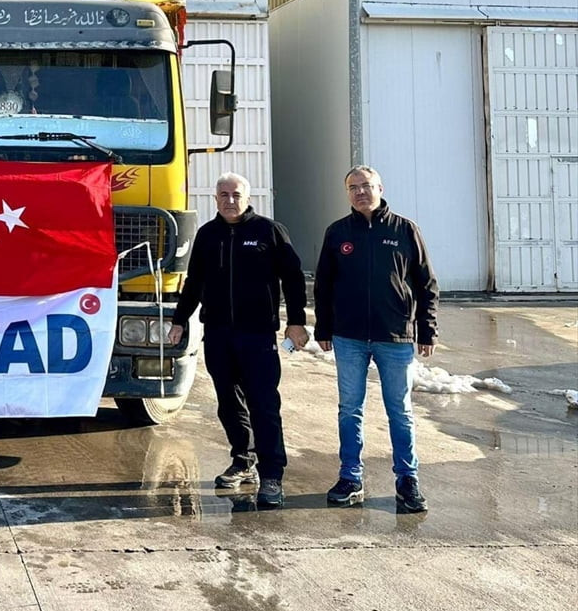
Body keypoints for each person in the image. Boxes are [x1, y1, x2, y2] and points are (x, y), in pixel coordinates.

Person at [167, 172, 308, 508]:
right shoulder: (207, 235)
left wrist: (296, 322)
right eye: (224, 195)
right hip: (218, 334)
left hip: (257, 335)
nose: (230, 200)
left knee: (263, 405)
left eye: (236, 194)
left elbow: (293, 278)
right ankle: (243, 461)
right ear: (215, 199)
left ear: (247, 197)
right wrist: (179, 320)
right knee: (229, 404)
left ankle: (272, 474)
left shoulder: (268, 231)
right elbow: (194, 283)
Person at [314, 165, 438, 513]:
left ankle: (407, 480)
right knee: (349, 410)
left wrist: (426, 329)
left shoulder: (404, 230)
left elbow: (427, 284)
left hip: (394, 337)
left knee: (400, 411)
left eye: (366, 186)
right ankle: (350, 477)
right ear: (347, 193)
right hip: (349, 338)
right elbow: (323, 286)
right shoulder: (338, 233)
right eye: (353, 187)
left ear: (380, 188)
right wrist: (323, 328)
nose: (360, 192)